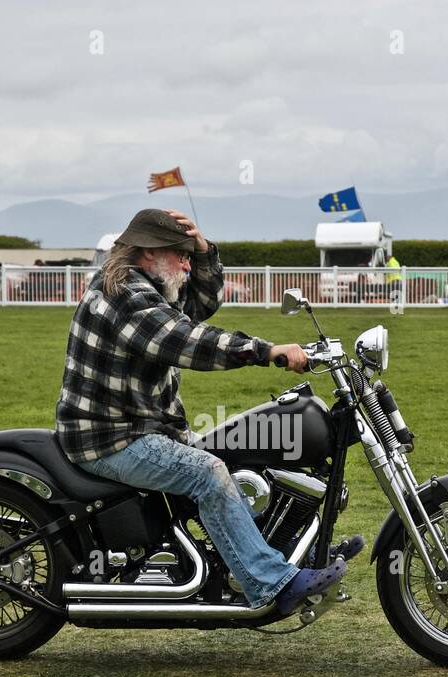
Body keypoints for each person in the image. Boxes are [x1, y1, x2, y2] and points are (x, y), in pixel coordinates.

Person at [56, 208, 352, 615]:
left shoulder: (150, 286)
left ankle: (276, 553)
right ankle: (271, 584)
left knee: (236, 455)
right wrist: (267, 351)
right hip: (111, 437)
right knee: (207, 472)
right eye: (179, 254)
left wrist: (204, 248)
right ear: (147, 253)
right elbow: (185, 339)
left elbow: (201, 303)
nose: (186, 263)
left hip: (145, 427)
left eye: (187, 254)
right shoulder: (123, 293)